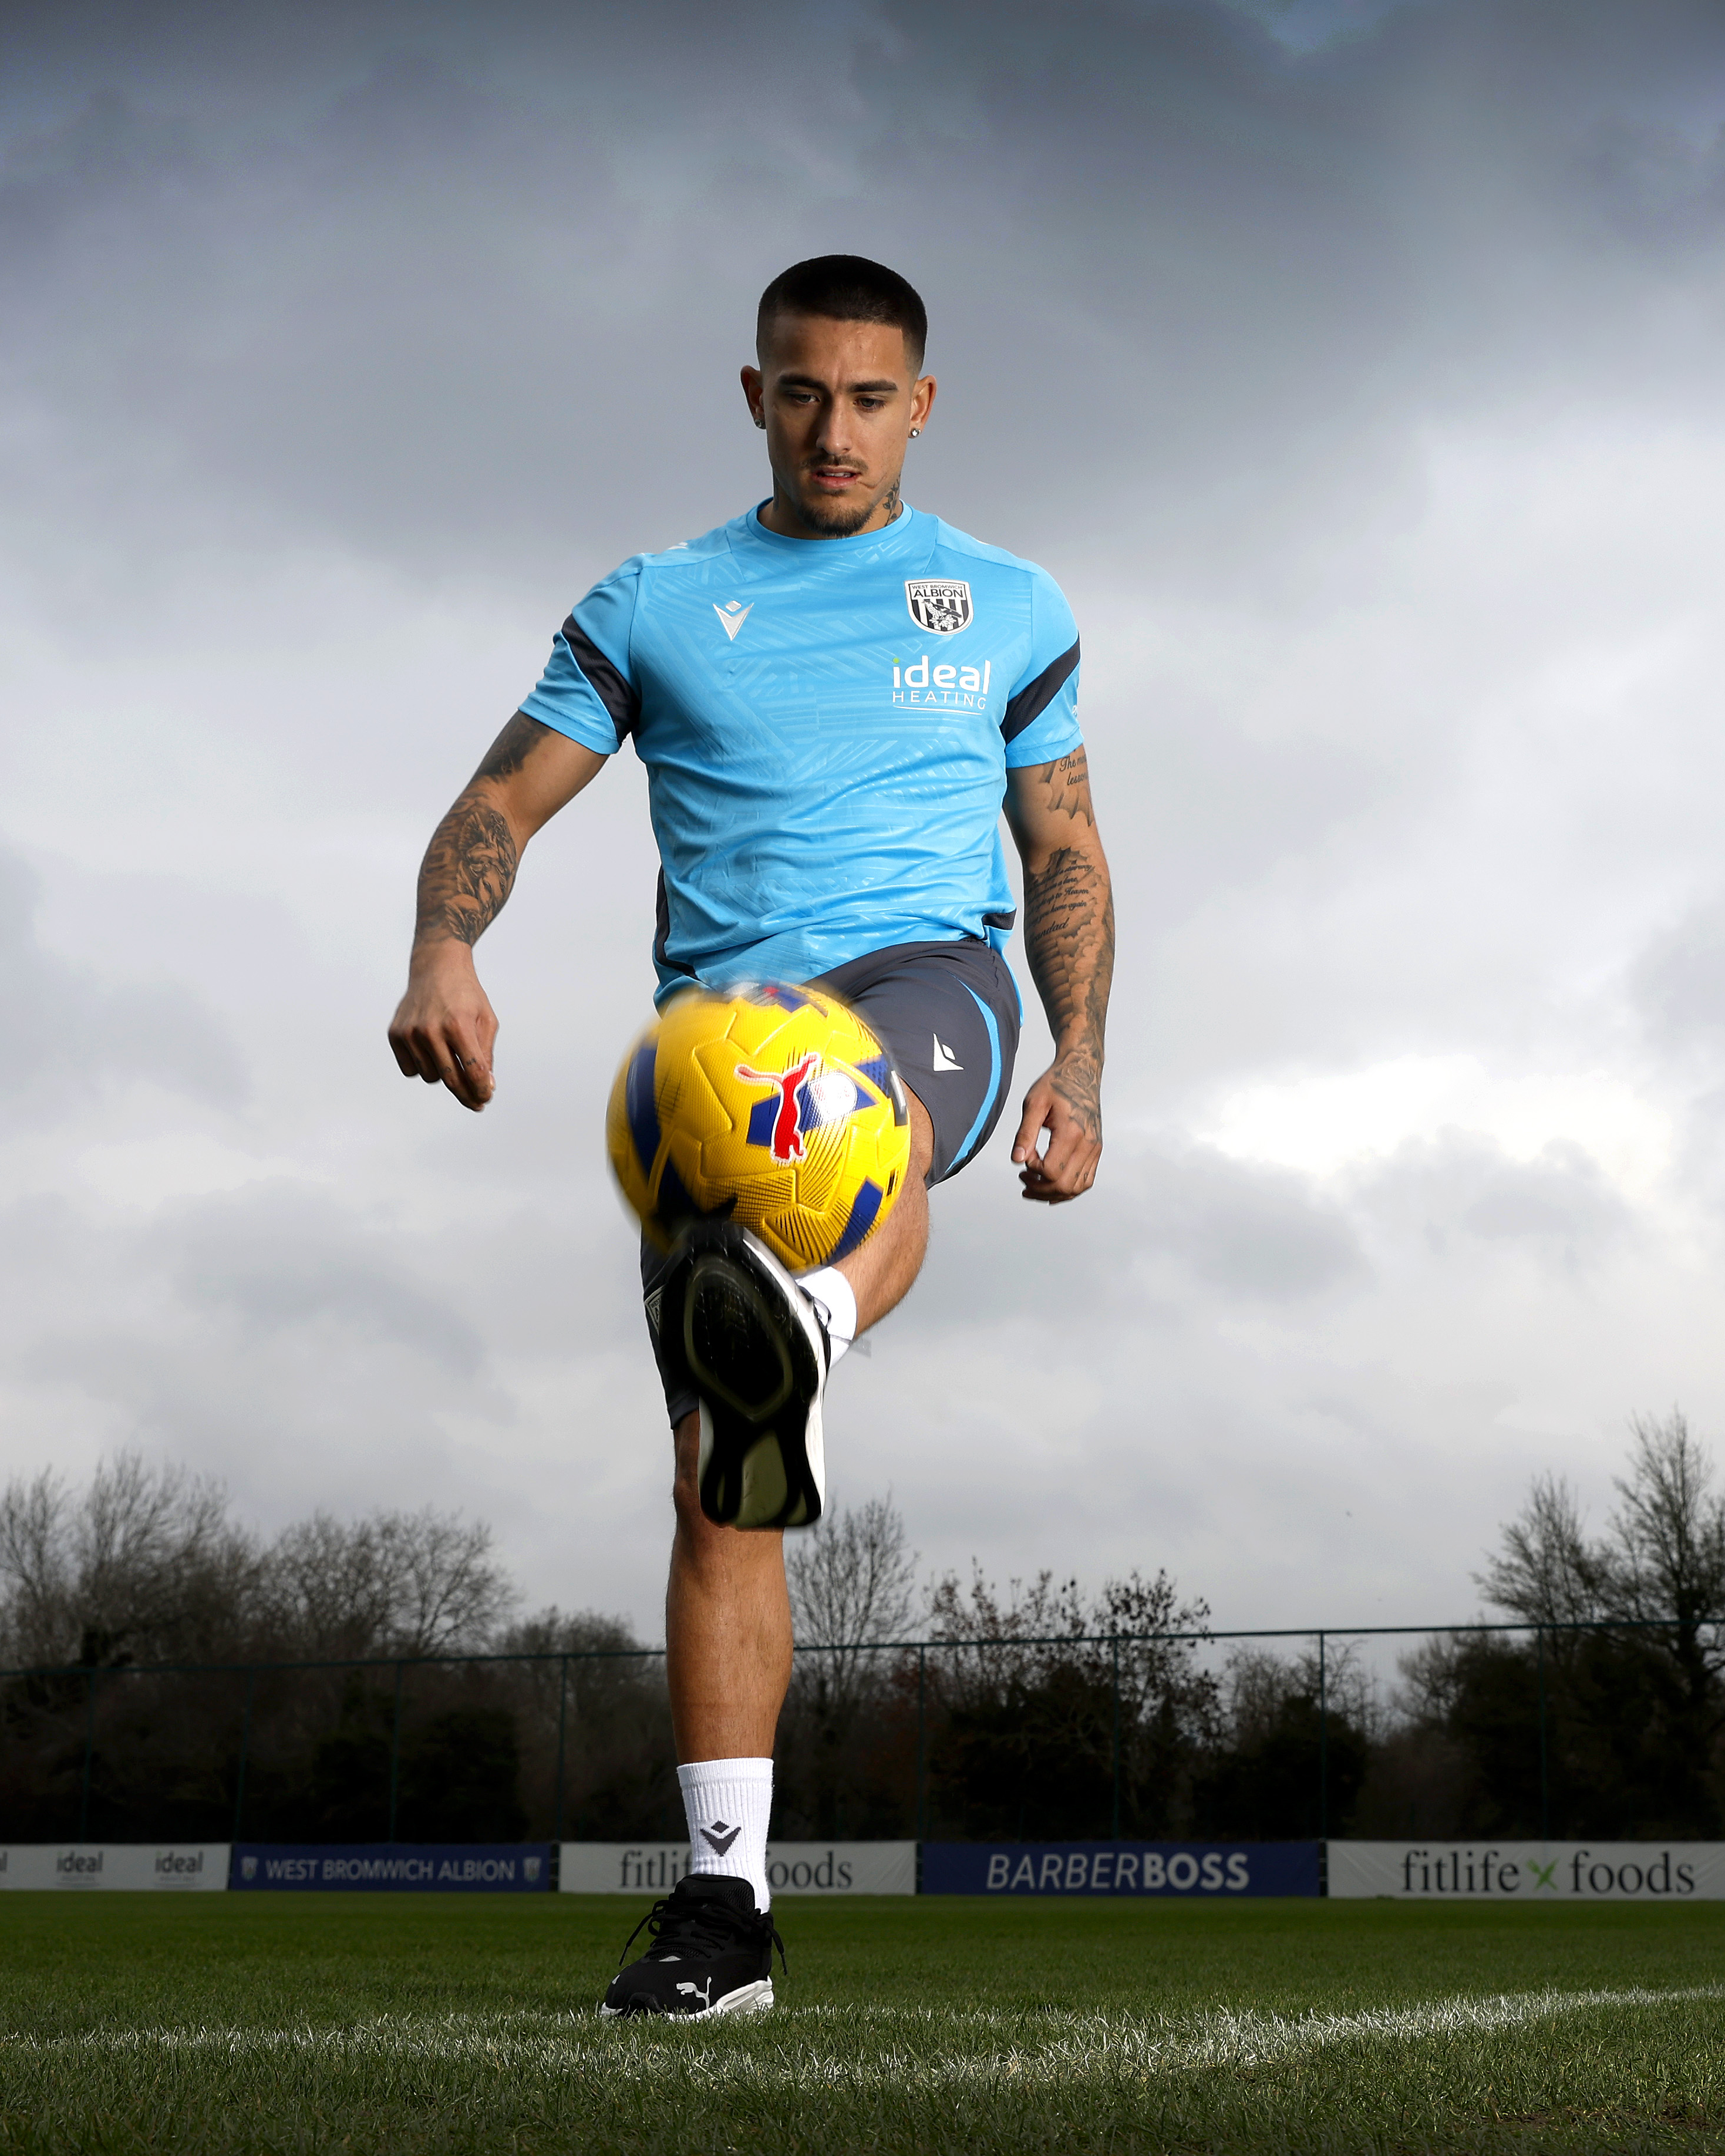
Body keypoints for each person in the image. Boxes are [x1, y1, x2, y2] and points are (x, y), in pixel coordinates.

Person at [385, 255, 1115, 2017]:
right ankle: (725, 1917)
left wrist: (1076, 1065)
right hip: (702, 1054)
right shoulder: (652, 606)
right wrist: (444, 944)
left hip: (927, 976)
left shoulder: (1005, 604)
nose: (834, 426)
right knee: (724, 1486)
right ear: (752, 394)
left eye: (870, 397)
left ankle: (813, 1320)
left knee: (851, 1123)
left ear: (920, 405)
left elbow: (1065, 853)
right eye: (802, 392)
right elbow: (500, 799)